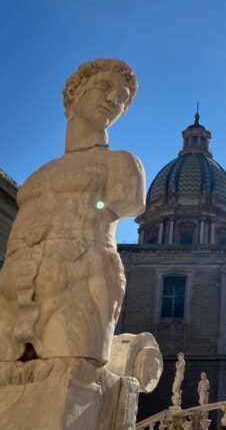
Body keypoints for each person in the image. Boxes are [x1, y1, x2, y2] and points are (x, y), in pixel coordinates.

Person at [0, 58, 144, 364]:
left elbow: (125, 201)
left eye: (121, 99)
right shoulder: (38, 176)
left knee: (72, 380)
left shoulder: (123, 164)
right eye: (104, 87)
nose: (112, 100)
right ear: (74, 93)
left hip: (81, 277)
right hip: (14, 285)